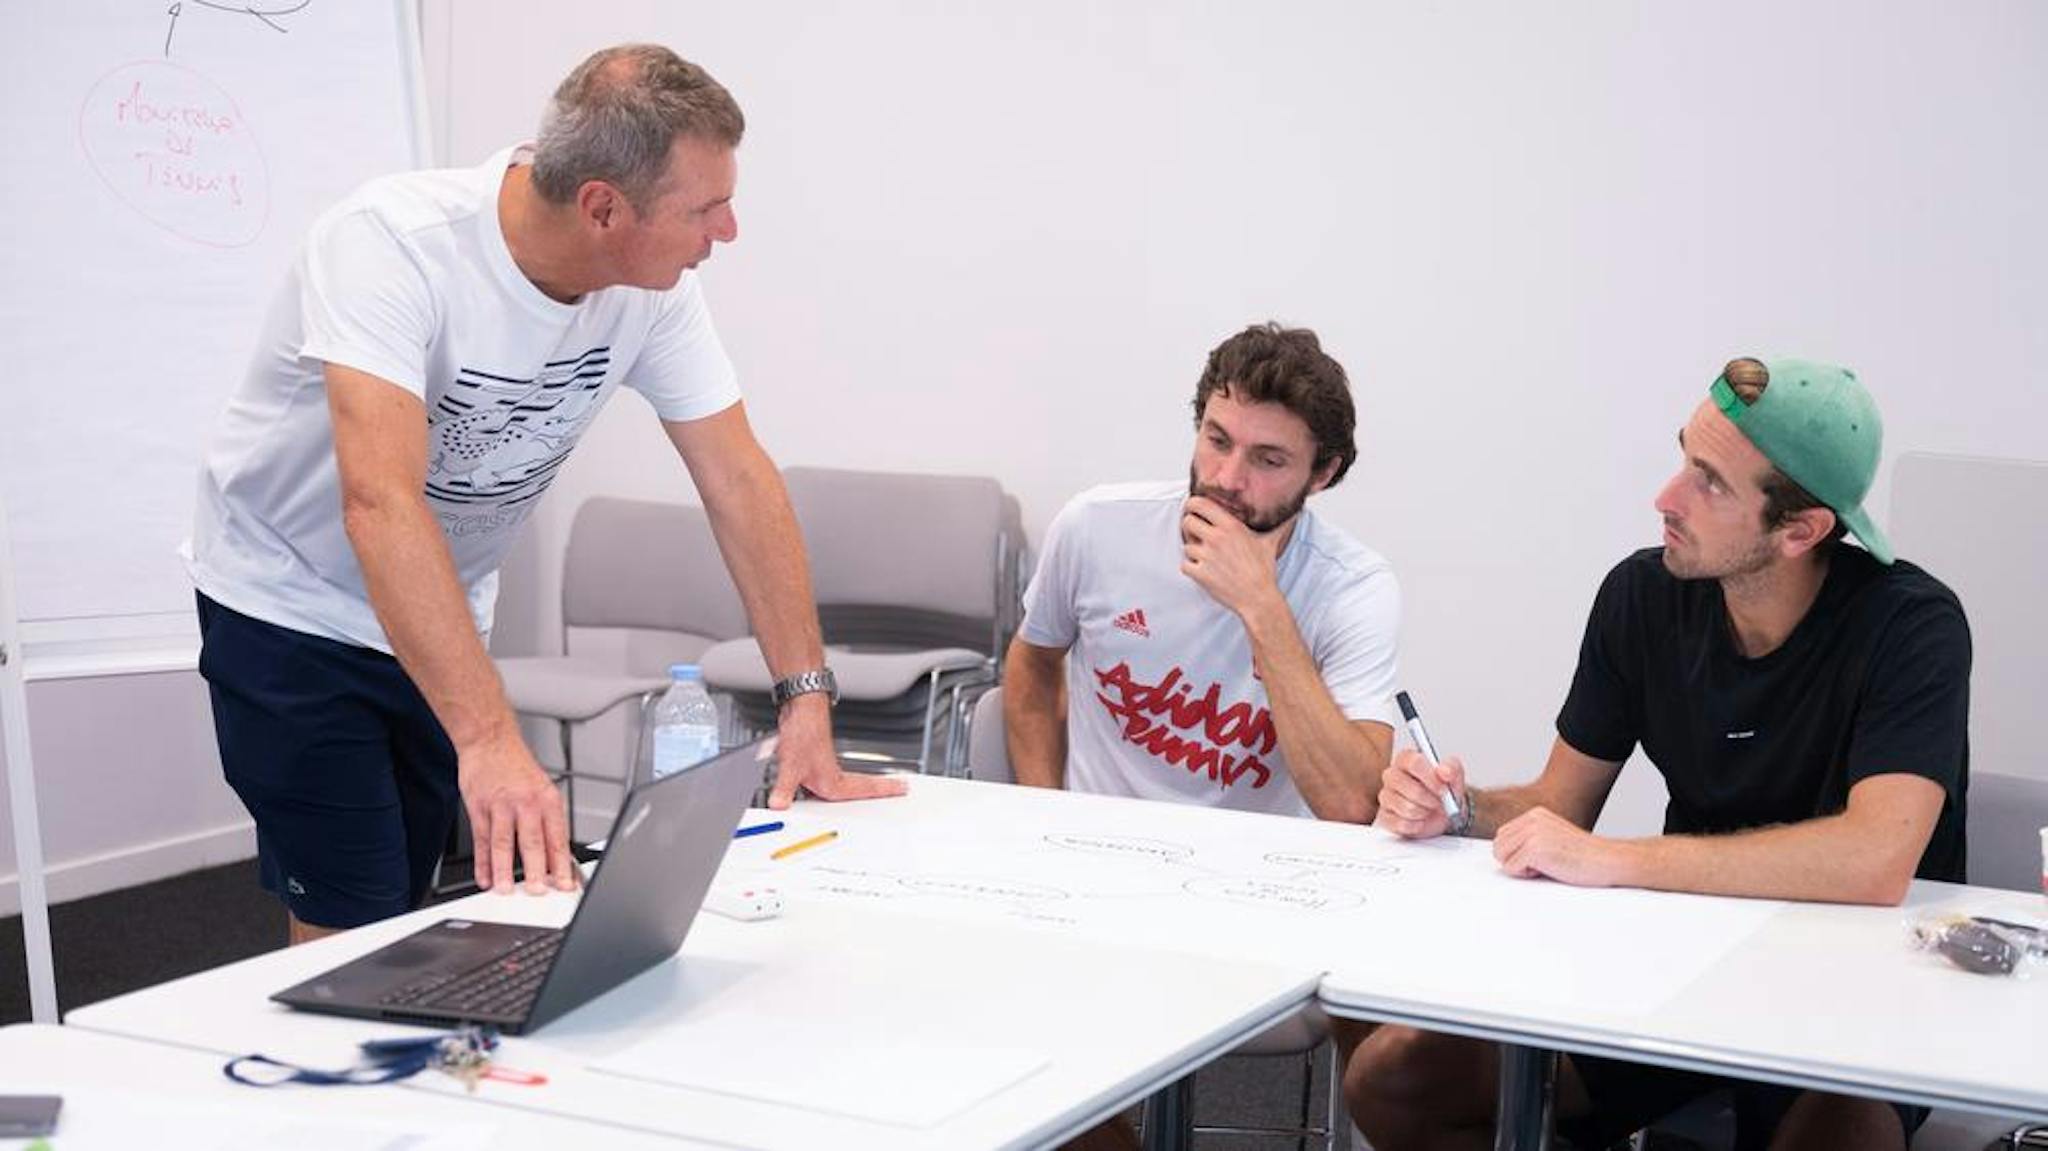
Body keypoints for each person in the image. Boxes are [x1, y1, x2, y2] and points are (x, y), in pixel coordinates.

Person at [186, 44, 901, 946]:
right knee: (352, 912)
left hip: (439, 608)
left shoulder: (652, 291)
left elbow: (739, 478)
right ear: (603, 206)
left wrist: (806, 698)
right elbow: (380, 504)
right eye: (706, 208)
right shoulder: (392, 246)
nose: (726, 232)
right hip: (293, 604)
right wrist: (490, 738)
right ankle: (323, 1077)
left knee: (405, 891)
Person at [1349, 357, 1970, 1150]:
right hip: (1687, 967)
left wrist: (1613, 859)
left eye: (1710, 482)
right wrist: (1459, 810)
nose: (1666, 497)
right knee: (1394, 1080)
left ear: (1801, 530)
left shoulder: (1913, 627)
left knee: (1838, 1138)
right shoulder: (1642, 596)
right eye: (1684, 456)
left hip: (1862, 990)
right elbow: (1559, 802)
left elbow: (1877, 858)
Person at [1004, 322, 1400, 824]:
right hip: (1093, 848)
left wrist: (1261, 605)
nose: (1227, 479)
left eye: (1268, 460)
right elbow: (1033, 663)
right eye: (1217, 440)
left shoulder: (1355, 588)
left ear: (1321, 474)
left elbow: (1354, 805)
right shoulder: (1095, 526)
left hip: (1259, 869)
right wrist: (1046, 810)